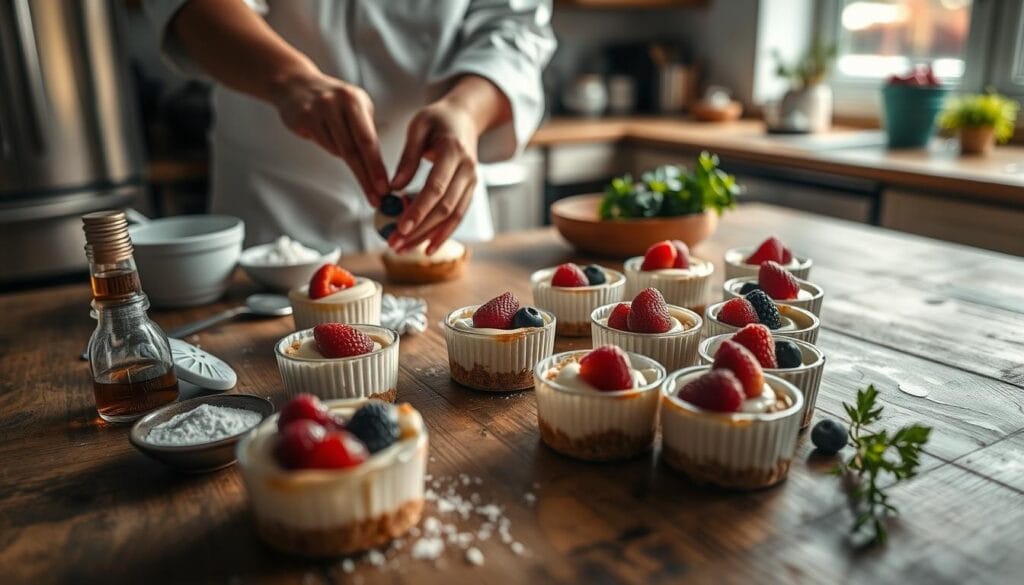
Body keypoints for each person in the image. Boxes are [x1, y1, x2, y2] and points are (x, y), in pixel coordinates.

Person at [145, 0, 555, 254]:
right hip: (278, 214)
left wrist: (466, 111)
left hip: (439, 208)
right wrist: (290, 80)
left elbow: (516, 27)